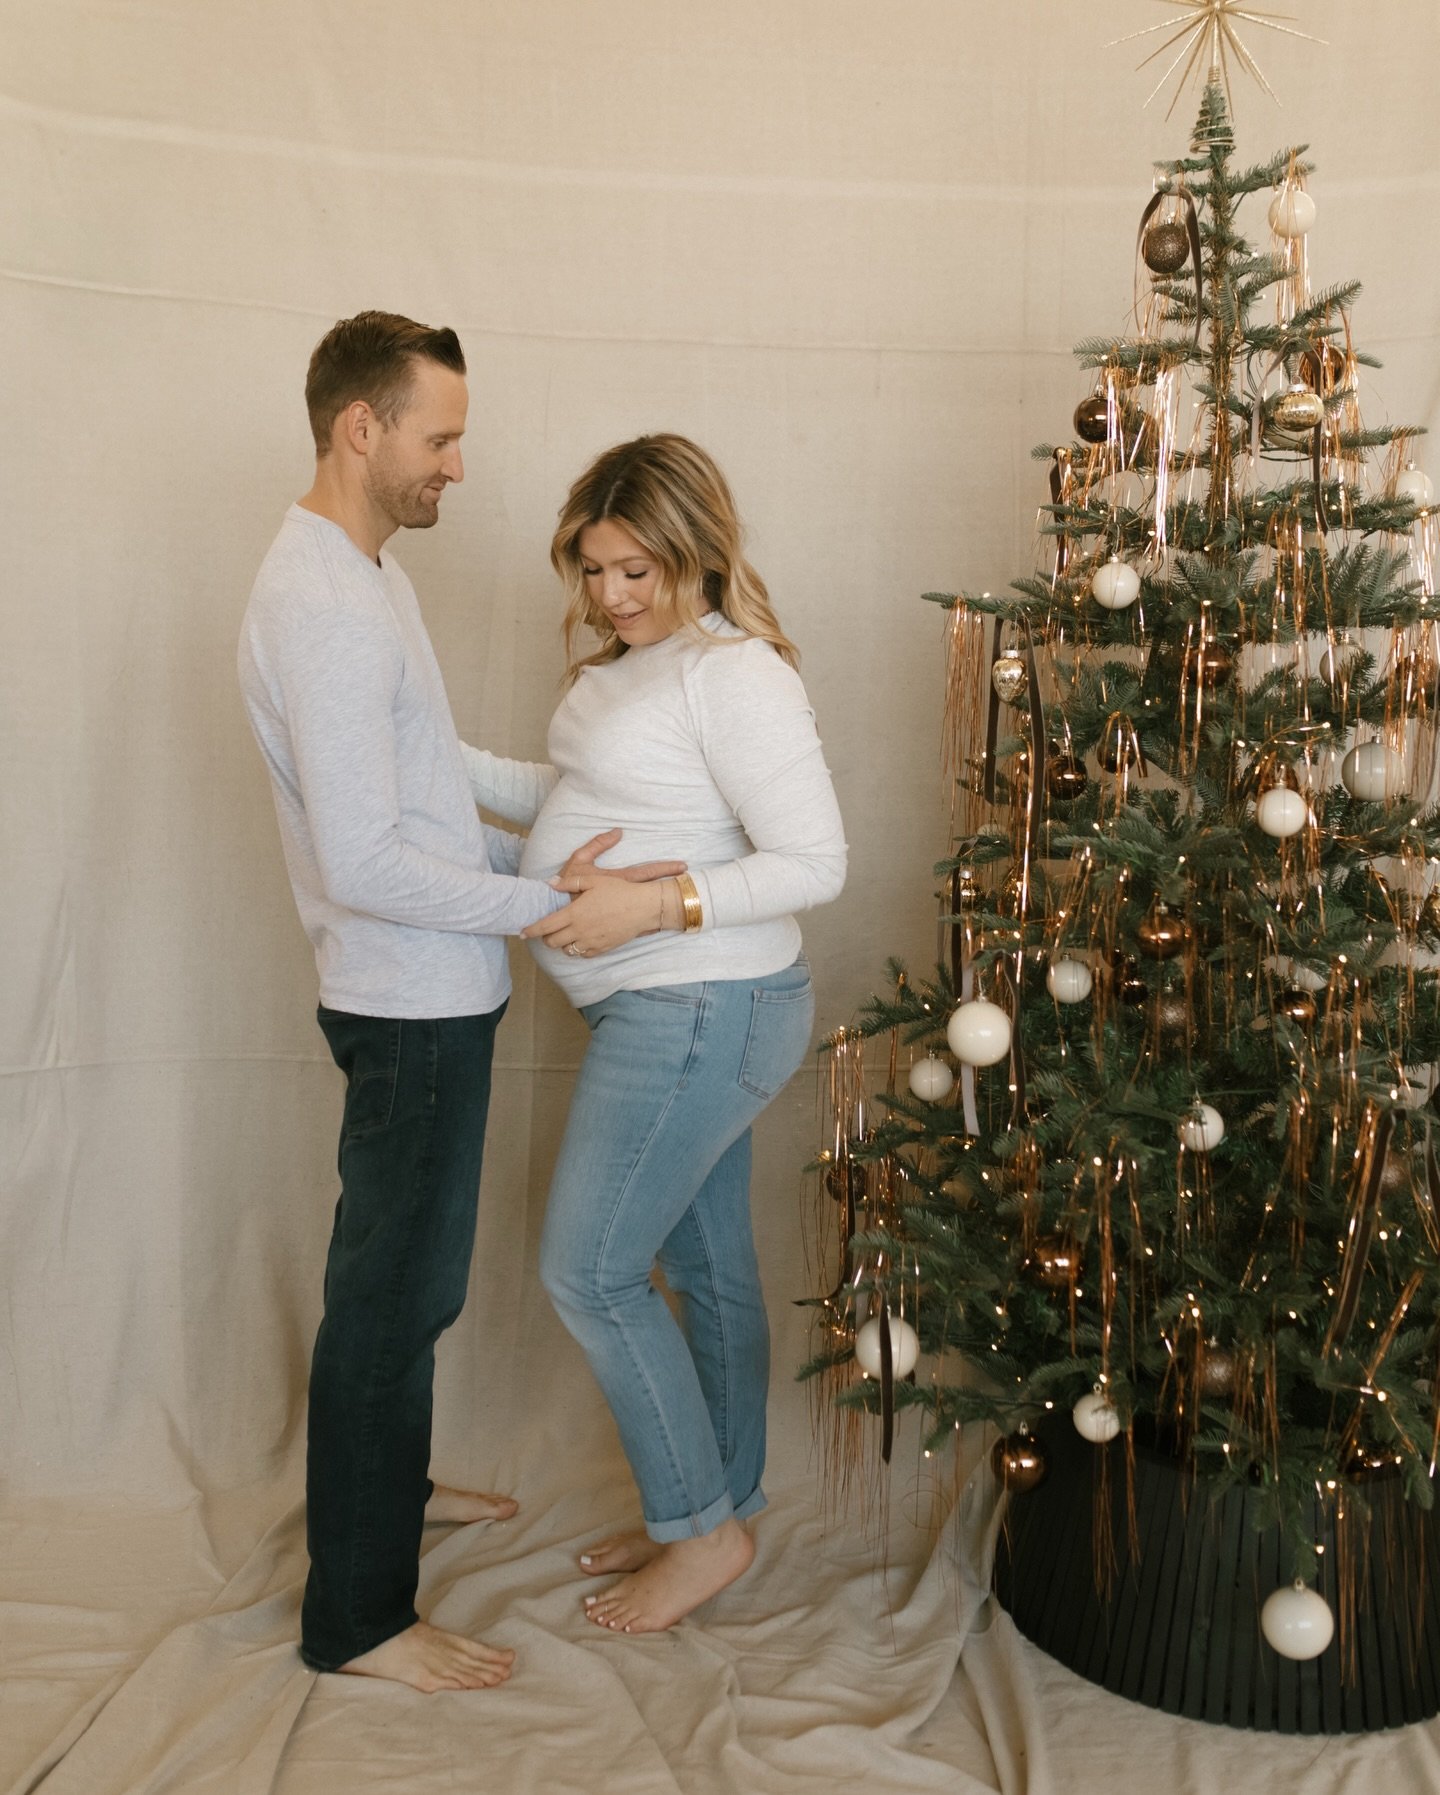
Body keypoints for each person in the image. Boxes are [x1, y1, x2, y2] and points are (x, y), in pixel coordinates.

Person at [237, 313, 678, 1693]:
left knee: (410, 1288)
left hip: (440, 985)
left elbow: (428, 796)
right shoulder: (314, 603)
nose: (461, 466)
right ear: (360, 429)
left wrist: (557, 838)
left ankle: (387, 1483)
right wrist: (546, 905)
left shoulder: (366, 576)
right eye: (441, 436)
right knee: (390, 1300)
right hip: (406, 1000)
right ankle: (358, 1614)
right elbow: (370, 865)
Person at [461, 433, 847, 1634]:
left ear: (699, 551)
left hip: (701, 1006)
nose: (613, 595)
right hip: (671, 1009)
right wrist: (427, 755)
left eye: (639, 570)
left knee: (589, 1269)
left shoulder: (735, 675)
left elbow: (816, 862)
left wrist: (646, 903)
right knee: (708, 1270)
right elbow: (578, 790)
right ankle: (716, 1500)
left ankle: (702, 1532)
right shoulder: (628, 667)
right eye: (594, 569)